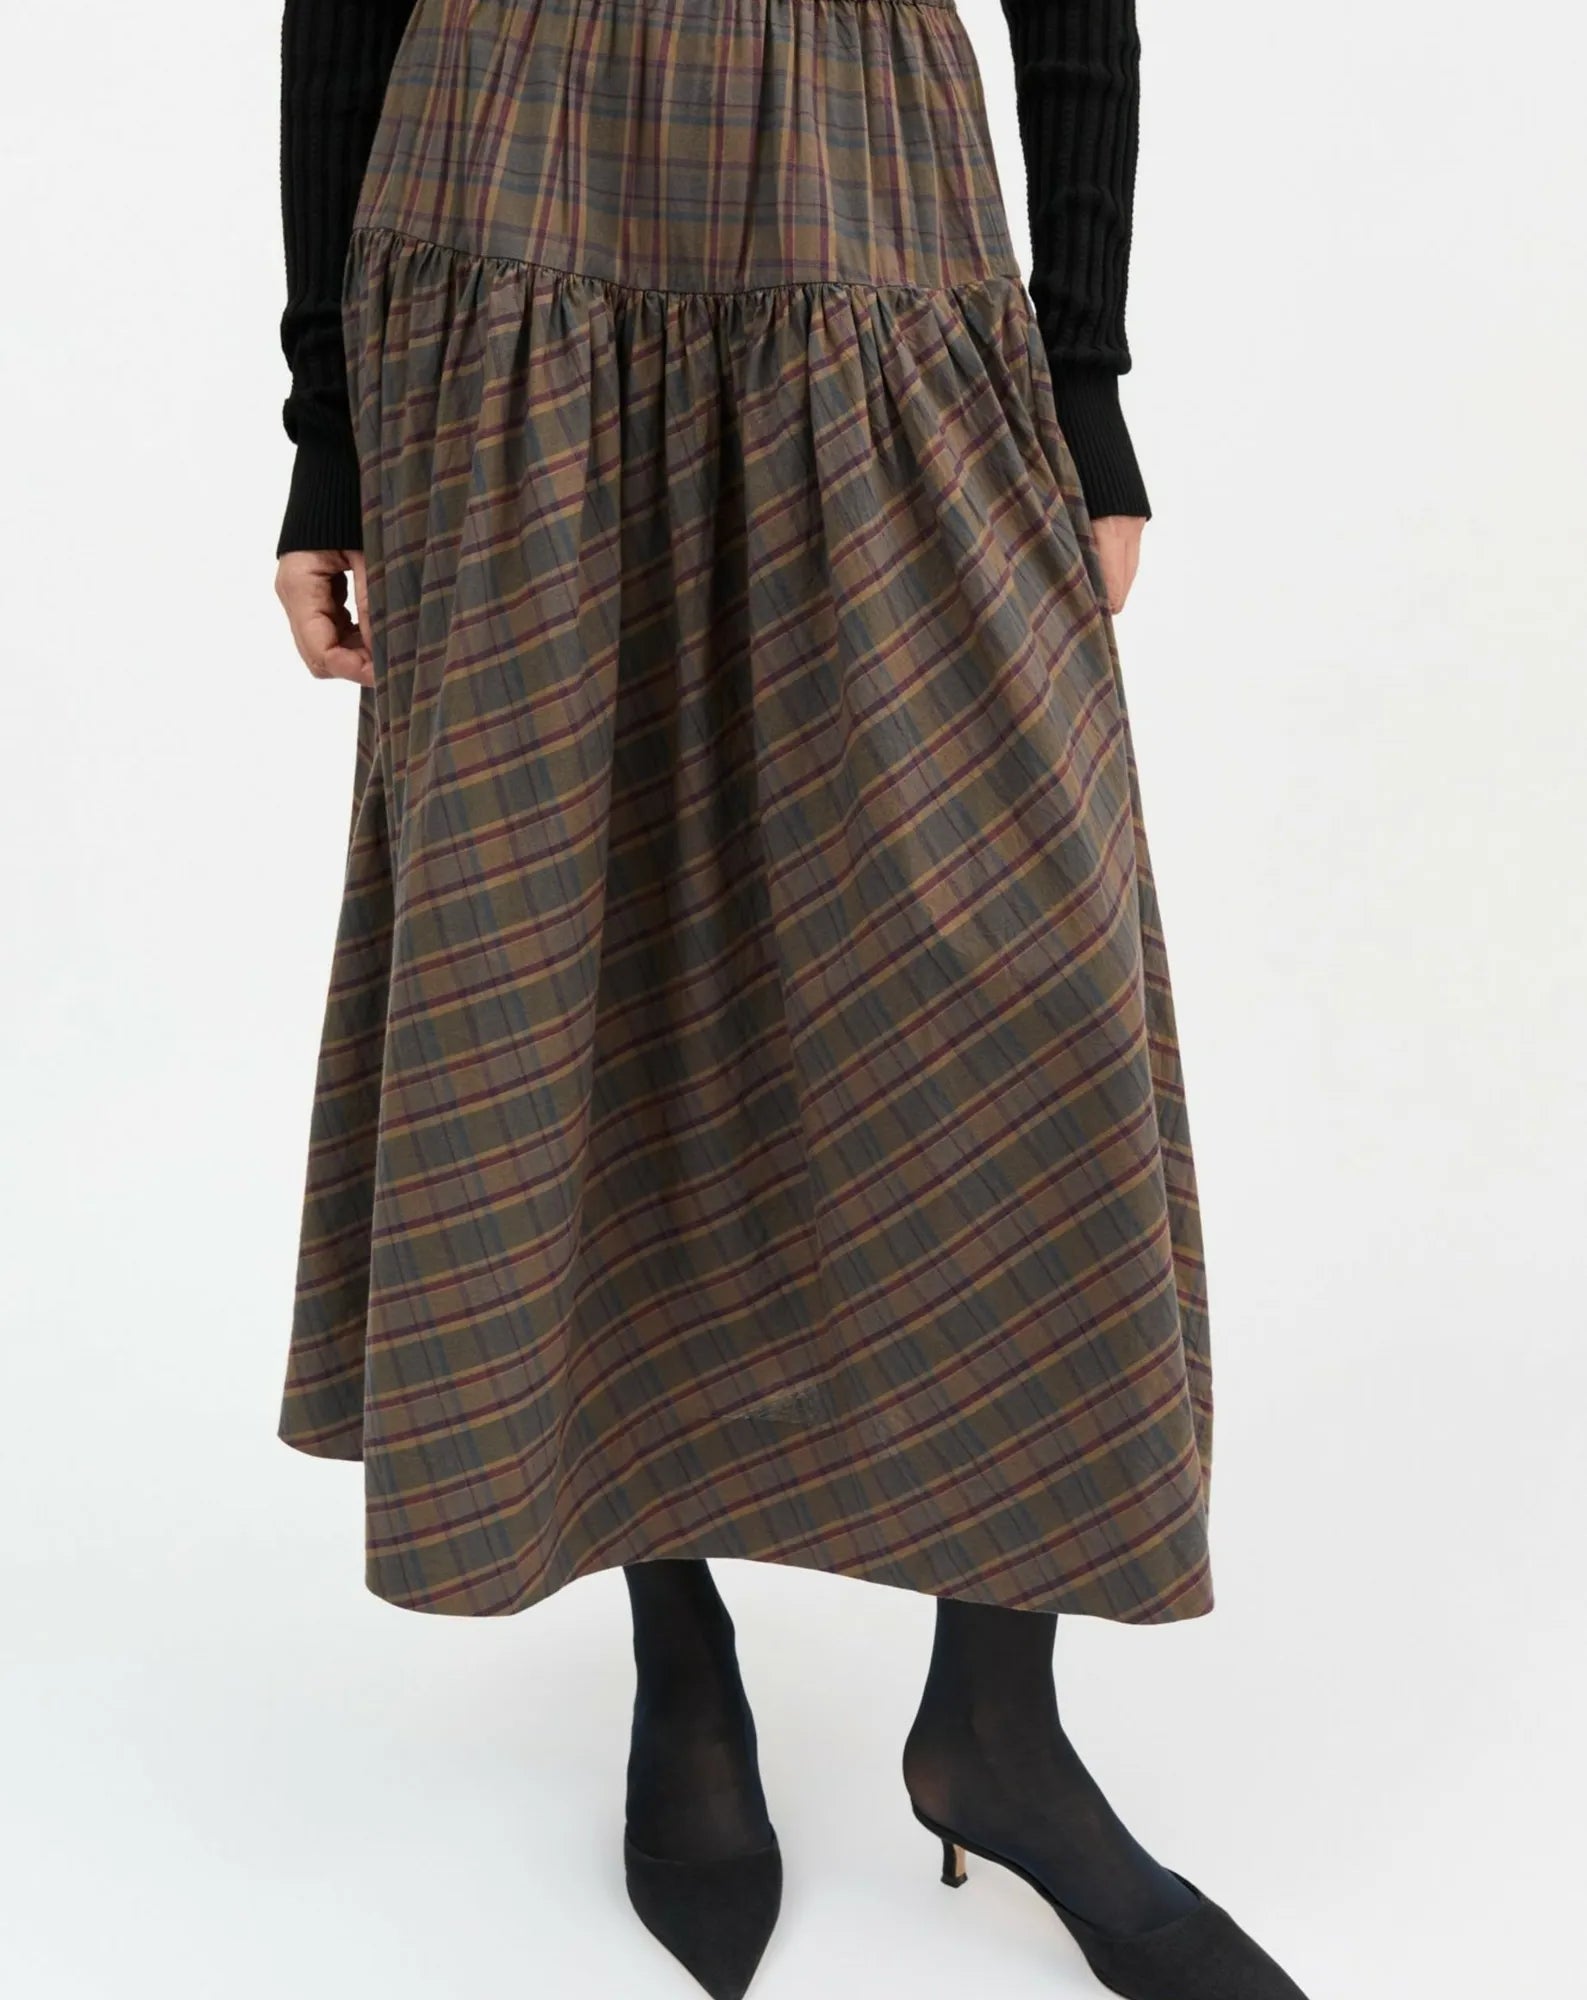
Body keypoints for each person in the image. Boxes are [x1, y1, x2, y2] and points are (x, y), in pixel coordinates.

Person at [271, 4, 1307, 1997]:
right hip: (506, 238)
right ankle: (679, 1654)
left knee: (1028, 979)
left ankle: (995, 1731)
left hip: (875, 224)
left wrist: (1080, 375)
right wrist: (330, 427)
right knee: (576, 948)